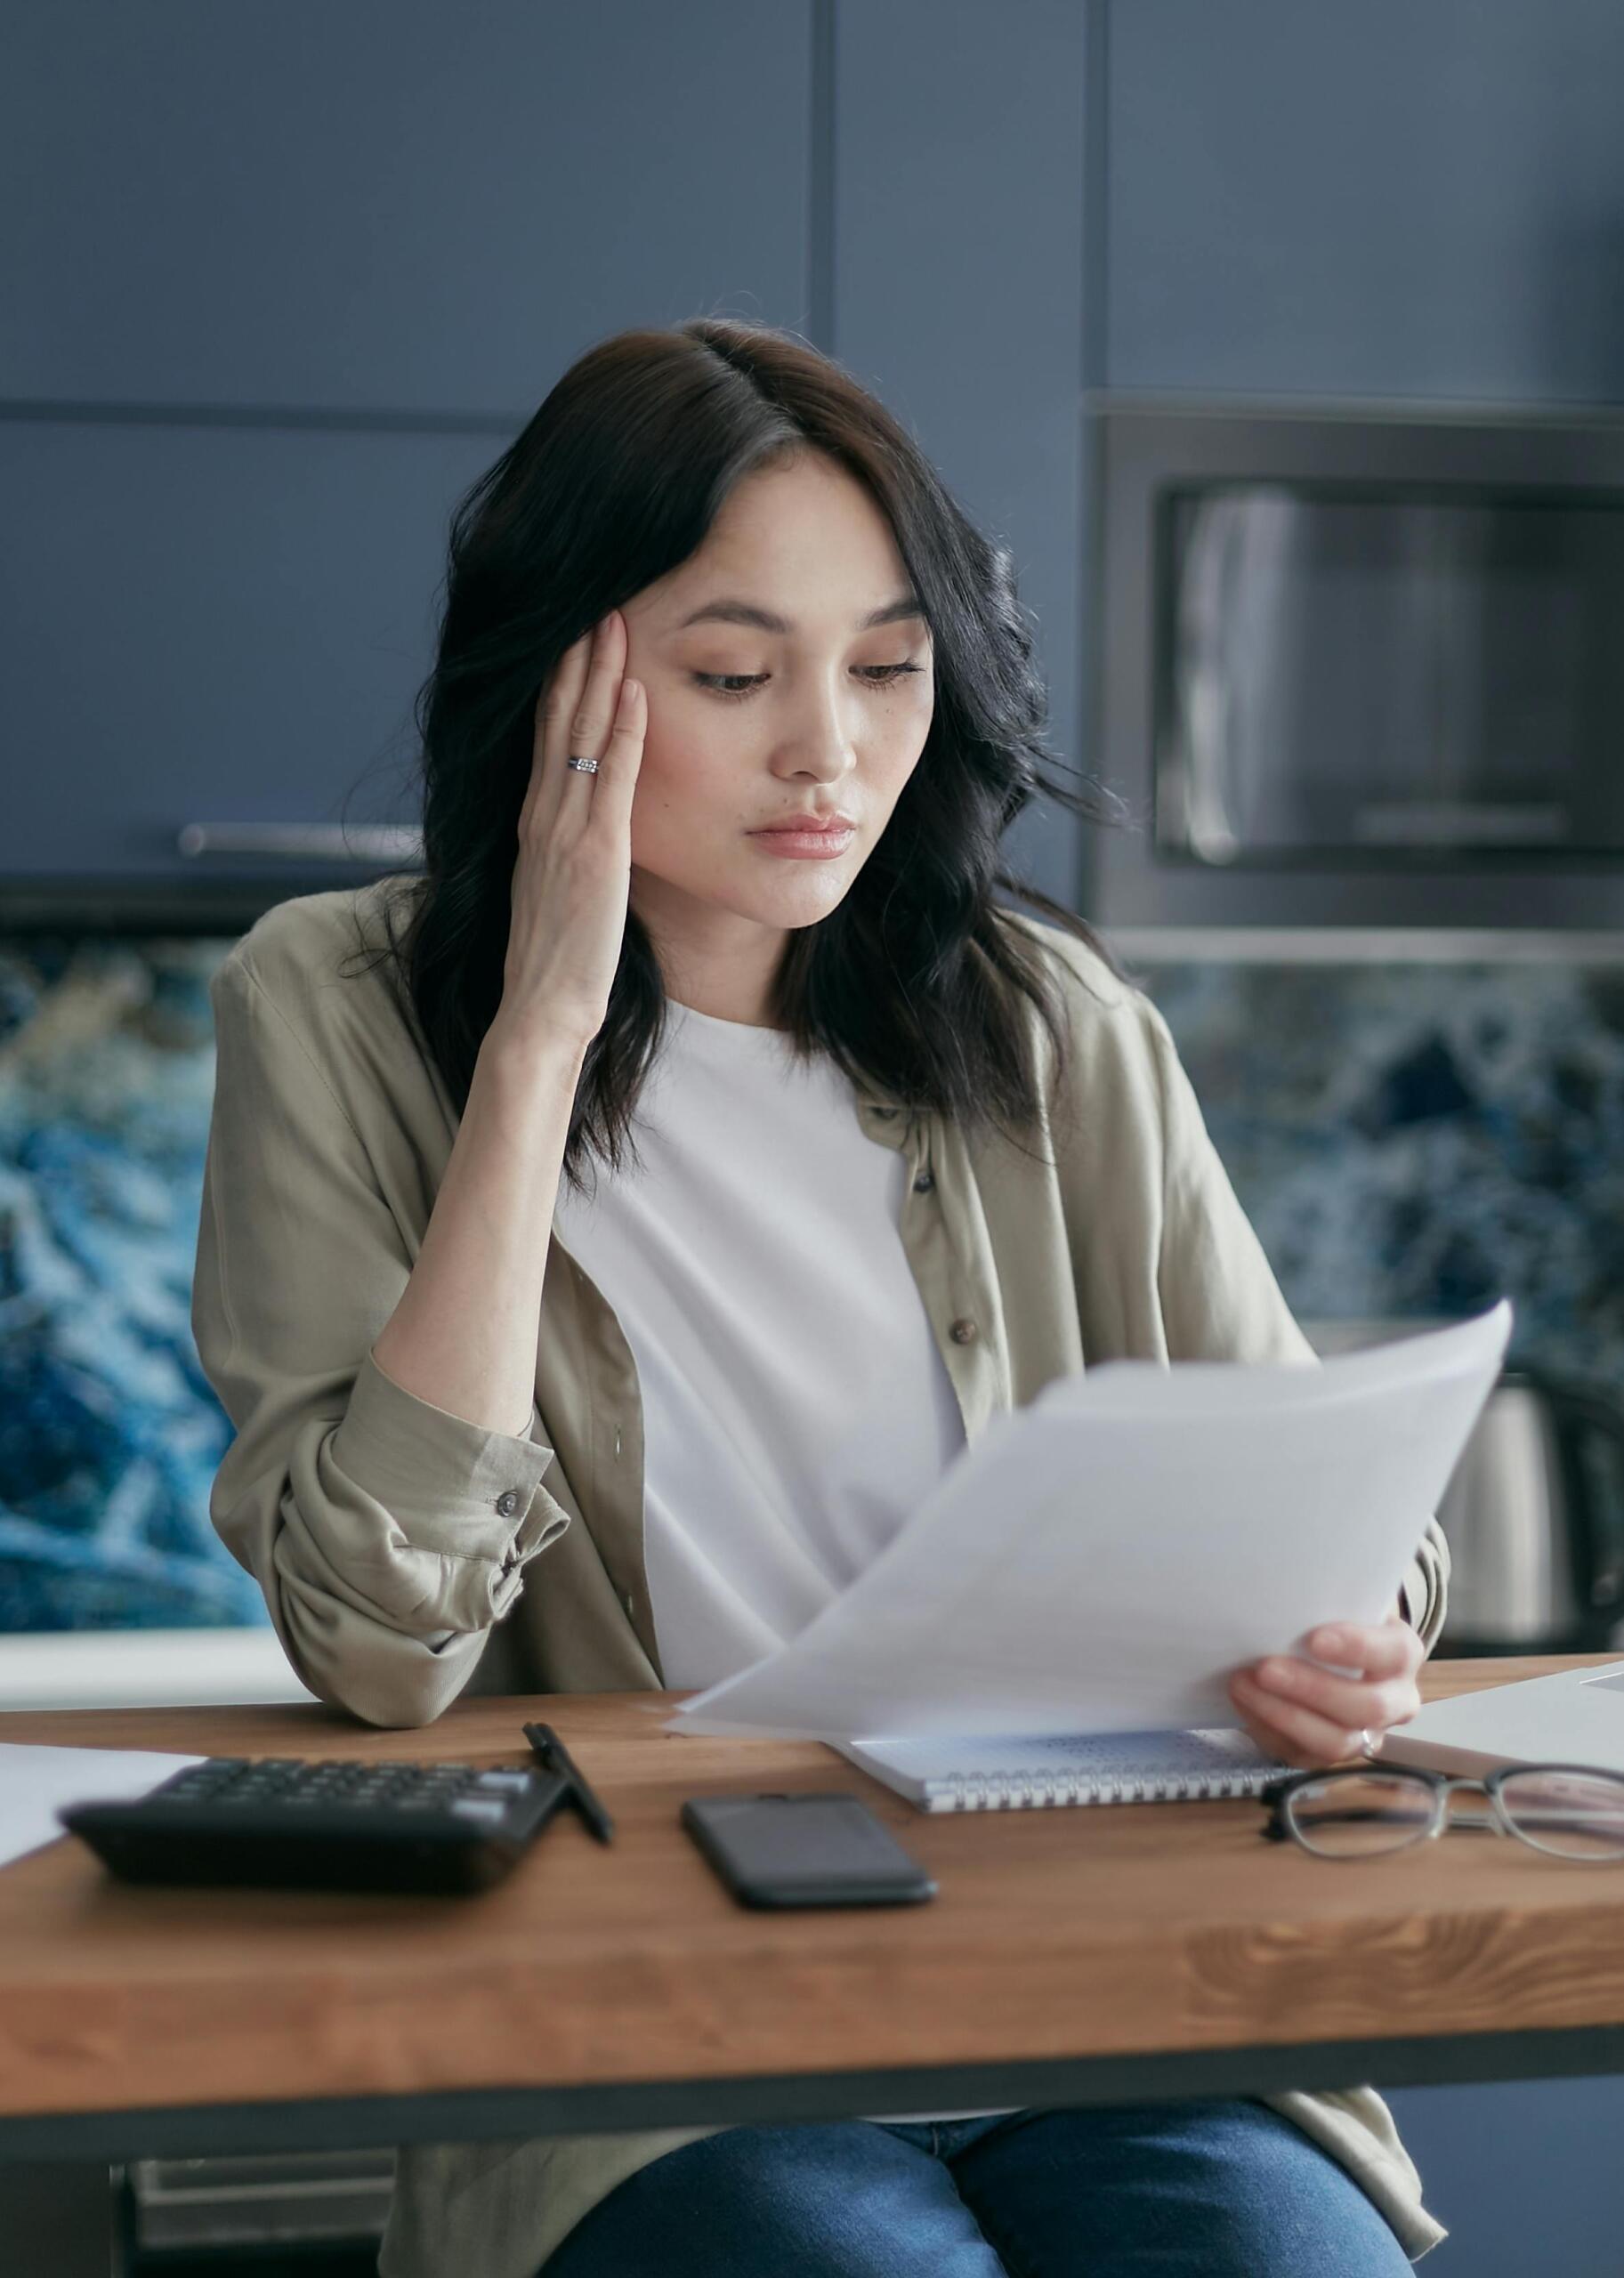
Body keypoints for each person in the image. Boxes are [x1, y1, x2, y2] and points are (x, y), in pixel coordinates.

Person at [192, 318, 1450, 2275]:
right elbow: (378, 1646)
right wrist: (536, 1038)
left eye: (884, 667)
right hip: (655, 2035)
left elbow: (1341, 1514)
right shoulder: (333, 1002)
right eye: (729, 672)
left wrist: (1347, 1632)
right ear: (560, 679)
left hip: (1093, 1981)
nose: (829, 751)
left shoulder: (1050, 1025)